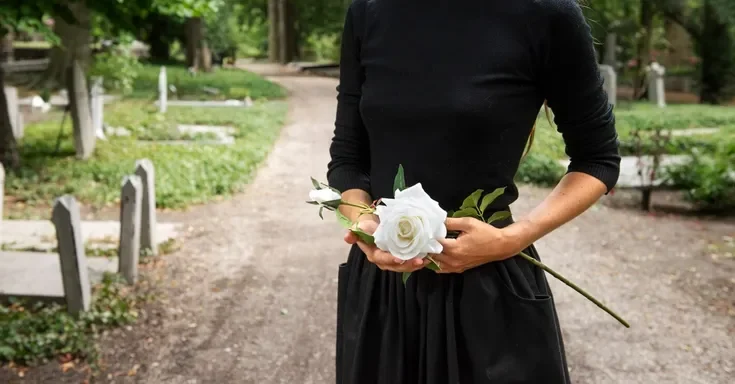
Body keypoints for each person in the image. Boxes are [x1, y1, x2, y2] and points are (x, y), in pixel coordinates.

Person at [326, 0, 620, 383]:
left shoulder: (547, 15)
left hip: (487, 293)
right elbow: (347, 159)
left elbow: (598, 160)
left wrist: (512, 239)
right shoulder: (369, 11)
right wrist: (364, 225)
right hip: (384, 295)